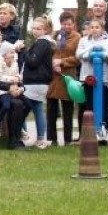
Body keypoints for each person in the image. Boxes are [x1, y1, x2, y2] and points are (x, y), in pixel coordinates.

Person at [76, 18, 108, 141]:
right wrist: (92, 51)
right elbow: (79, 55)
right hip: (87, 76)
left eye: (97, 27)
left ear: (102, 29)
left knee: (105, 104)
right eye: (92, 27)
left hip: (103, 77)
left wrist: (101, 54)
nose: (94, 29)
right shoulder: (83, 41)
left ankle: (106, 129)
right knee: (89, 105)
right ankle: (90, 131)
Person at [46, 11, 81, 146]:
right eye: (64, 24)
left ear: (73, 24)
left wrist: (62, 62)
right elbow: (48, 52)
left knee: (67, 109)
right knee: (51, 109)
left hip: (67, 76)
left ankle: (67, 139)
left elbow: (78, 58)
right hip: (53, 76)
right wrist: (53, 62)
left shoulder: (77, 38)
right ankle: (52, 139)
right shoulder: (54, 36)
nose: (67, 26)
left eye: (69, 24)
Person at [22, 16, 55, 148]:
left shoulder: (42, 43)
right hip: (40, 81)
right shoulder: (44, 43)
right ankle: (41, 138)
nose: (35, 31)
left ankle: (22, 133)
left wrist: (25, 52)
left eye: (39, 28)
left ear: (45, 30)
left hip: (35, 81)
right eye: (34, 28)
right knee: (37, 108)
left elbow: (33, 61)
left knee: (23, 107)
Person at [0, 42, 20, 136]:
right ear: (4, 54)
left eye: (14, 52)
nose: (13, 54)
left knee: (27, 104)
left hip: (14, 88)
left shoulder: (14, 63)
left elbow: (17, 74)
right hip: (2, 90)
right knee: (7, 105)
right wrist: (12, 79)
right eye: (11, 52)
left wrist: (18, 79)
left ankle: (20, 125)